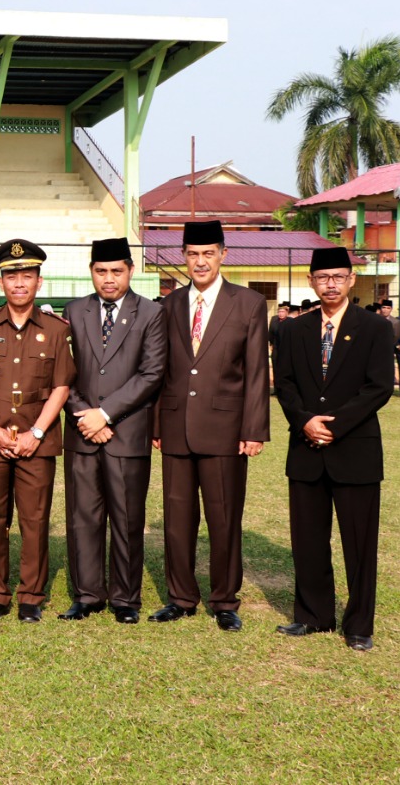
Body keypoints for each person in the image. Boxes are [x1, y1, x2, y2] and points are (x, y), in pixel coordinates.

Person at [150, 220, 269, 632]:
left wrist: (254, 429)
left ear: (223, 254)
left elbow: (256, 374)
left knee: (223, 517)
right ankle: (181, 597)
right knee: (178, 518)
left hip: (226, 430)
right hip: (175, 427)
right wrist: (155, 424)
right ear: (184, 257)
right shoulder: (168, 305)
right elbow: (159, 371)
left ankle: (224, 600)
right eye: (192, 254)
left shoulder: (249, 303)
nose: (200, 262)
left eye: (208, 253)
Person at [274, 247, 392, 652]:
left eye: (338, 277)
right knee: (307, 539)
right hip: (305, 447)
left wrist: (335, 426)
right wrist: (304, 420)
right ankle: (312, 614)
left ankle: (359, 624)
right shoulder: (292, 330)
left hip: (354, 449)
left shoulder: (375, 328)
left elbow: (378, 387)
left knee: (359, 543)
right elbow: (284, 384)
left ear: (351, 280)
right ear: (310, 280)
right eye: (323, 277)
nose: (330, 284)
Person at [0, 240, 74, 623]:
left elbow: (61, 386)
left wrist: (37, 433)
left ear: (39, 282)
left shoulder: (57, 331)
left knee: (34, 518)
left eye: (27, 276)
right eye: (12, 276)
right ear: (1, 282)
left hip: (36, 442)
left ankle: (30, 595)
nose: (19, 283)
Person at [60, 238, 165, 624]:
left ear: (130, 271)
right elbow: (62, 373)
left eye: (116, 271)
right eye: (101, 271)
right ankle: (87, 595)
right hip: (81, 432)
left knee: (126, 518)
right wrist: (84, 414)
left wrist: (104, 414)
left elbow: (152, 373)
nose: (108, 279)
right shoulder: (74, 310)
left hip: (125, 431)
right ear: (91, 272)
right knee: (82, 517)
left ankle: (125, 598)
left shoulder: (151, 313)